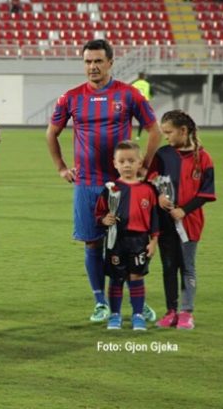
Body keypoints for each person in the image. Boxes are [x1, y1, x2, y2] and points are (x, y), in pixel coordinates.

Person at [46, 39, 161, 324]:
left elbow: (154, 130)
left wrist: (145, 166)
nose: (93, 67)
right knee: (92, 244)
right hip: (87, 183)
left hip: (122, 186)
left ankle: (137, 302)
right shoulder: (71, 97)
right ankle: (100, 303)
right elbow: (51, 133)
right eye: (88, 61)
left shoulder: (129, 94)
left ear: (110, 62)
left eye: (98, 61)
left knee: (129, 244)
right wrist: (61, 167)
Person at [149, 110, 216, 330]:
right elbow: (151, 180)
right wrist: (158, 196)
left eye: (169, 132)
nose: (166, 136)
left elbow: (206, 193)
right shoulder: (162, 155)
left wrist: (184, 210)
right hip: (165, 222)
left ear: (183, 130)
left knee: (187, 266)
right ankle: (171, 311)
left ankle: (186, 312)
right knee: (169, 267)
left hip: (190, 222)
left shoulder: (203, 158)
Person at [95, 141, 159, 331]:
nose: (127, 165)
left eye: (131, 161)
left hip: (139, 240)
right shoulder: (111, 189)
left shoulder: (148, 190)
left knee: (136, 276)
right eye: (122, 161)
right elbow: (99, 213)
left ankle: (138, 315)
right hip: (116, 240)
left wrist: (154, 241)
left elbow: (155, 219)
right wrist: (104, 220)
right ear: (115, 163)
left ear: (140, 162)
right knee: (116, 278)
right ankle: (115, 315)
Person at [132, 72, 151, 139]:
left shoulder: (134, 84)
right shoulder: (147, 84)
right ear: (144, 77)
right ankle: (138, 136)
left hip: (135, 102)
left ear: (138, 77)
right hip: (144, 102)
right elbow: (147, 94)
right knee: (143, 119)